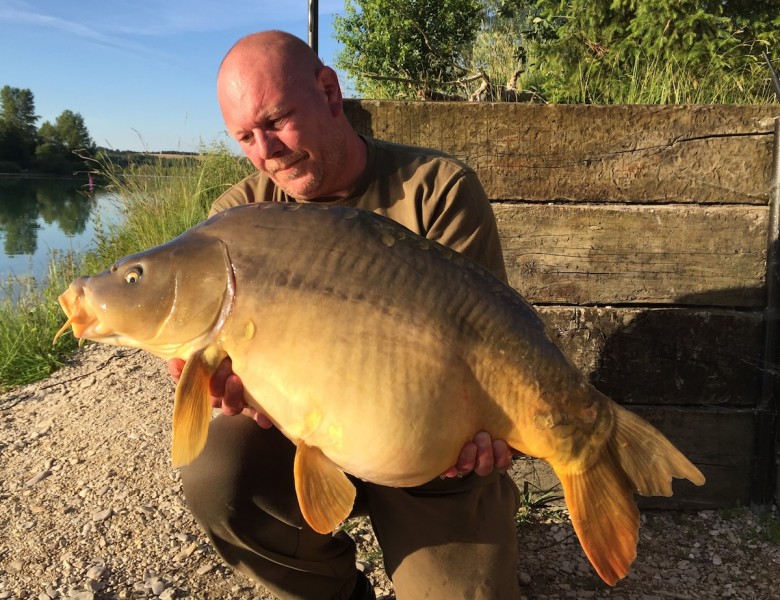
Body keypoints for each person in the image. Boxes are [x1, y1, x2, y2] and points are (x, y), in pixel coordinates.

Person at [167, 30, 522, 600]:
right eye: (244, 137)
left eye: (277, 120)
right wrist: (213, 378)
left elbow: (494, 352)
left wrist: (490, 432)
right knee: (216, 472)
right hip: (298, 435)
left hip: (432, 455)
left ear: (330, 92)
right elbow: (212, 363)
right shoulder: (238, 219)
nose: (266, 151)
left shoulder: (435, 190)